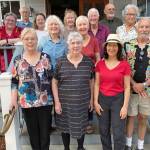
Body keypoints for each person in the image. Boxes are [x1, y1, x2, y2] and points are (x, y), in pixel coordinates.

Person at [10, 28, 53, 150]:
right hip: (26, 102)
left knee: (45, 135)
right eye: (27, 39)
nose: (30, 41)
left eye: (33, 38)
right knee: (33, 135)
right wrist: (14, 100)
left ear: (37, 40)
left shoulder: (46, 57)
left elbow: (52, 79)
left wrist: (57, 99)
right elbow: (14, 81)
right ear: (22, 40)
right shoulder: (18, 59)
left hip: (45, 102)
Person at [52, 31, 94, 150]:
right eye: (73, 43)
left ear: (82, 45)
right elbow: (54, 82)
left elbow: (92, 81)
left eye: (78, 43)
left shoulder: (88, 62)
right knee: (65, 127)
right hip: (64, 103)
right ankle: (66, 148)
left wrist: (91, 100)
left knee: (81, 125)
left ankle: (80, 147)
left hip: (82, 103)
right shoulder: (60, 62)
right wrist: (57, 102)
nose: (75, 46)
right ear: (68, 45)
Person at [94, 34, 131, 150]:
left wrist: (125, 106)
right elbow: (97, 84)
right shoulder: (99, 64)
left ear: (119, 48)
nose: (112, 48)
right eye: (109, 45)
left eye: (115, 45)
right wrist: (95, 102)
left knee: (118, 131)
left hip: (118, 100)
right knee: (103, 130)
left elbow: (127, 87)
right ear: (105, 47)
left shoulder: (124, 65)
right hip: (103, 99)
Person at [124, 18, 150, 150]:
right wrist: (134, 84)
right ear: (137, 28)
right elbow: (124, 68)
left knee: (143, 117)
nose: (144, 30)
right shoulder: (127, 45)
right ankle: (128, 145)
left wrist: (144, 85)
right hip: (131, 88)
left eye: (147, 27)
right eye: (142, 27)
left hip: (147, 91)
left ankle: (140, 146)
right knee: (131, 117)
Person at [76, 15, 100, 133]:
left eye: (84, 24)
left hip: (91, 75)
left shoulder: (94, 40)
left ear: (88, 26)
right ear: (77, 27)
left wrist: (97, 71)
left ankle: (89, 121)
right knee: (80, 97)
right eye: (80, 25)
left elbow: (98, 58)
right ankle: (80, 121)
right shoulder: (74, 40)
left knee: (90, 96)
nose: (82, 27)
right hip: (77, 75)